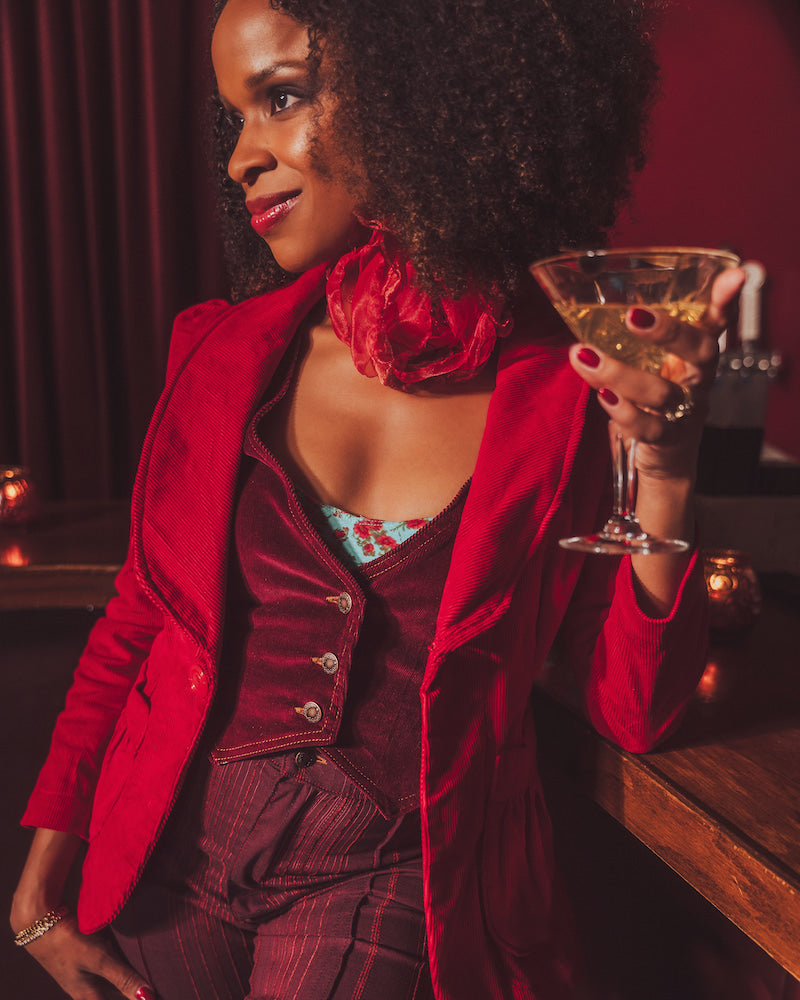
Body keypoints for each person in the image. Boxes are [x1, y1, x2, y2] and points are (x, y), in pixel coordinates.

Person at [10, 1, 744, 998]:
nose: (240, 158)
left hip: (393, 876)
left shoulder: (571, 384)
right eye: (235, 118)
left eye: (280, 99)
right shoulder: (223, 354)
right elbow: (139, 620)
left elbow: (631, 707)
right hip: (168, 860)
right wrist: (40, 885)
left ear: (423, 85)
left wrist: (662, 471)